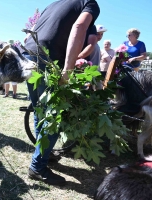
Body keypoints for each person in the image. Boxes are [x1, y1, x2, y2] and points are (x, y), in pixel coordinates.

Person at [23, 0, 100, 186]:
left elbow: (33, 30)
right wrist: (68, 69)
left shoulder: (54, 3)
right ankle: (37, 166)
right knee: (55, 117)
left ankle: (42, 155)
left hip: (28, 54)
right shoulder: (89, 3)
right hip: (48, 58)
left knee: (40, 111)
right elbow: (80, 25)